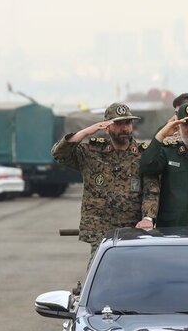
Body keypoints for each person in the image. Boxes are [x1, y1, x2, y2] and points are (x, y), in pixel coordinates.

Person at [51, 103, 159, 259]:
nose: (124, 128)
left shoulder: (144, 155)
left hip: (133, 229)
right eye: (118, 123)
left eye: (128, 123)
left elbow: (151, 190)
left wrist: (147, 218)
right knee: (101, 277)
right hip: (100, 232)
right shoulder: (92, 153)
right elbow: (59, 154)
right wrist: (87, 131)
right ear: (107, 127)